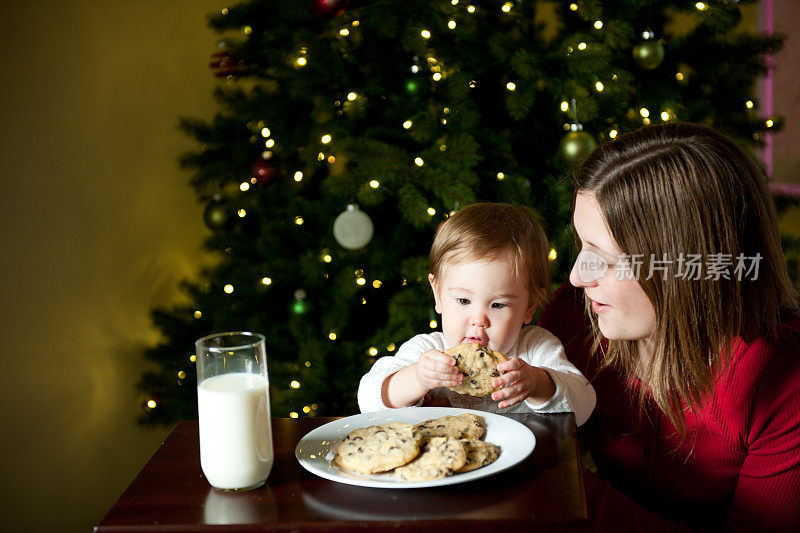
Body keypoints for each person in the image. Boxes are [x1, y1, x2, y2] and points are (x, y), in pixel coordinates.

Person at [539, 123, 800, 531]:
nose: (575, 276)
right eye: (581, 244)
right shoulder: (570, 318)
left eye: (605, 259)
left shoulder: (784, 383)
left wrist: (565, 492)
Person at [358, 202, 596, 425]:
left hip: (525, 466)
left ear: (530, 306)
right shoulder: (427, 351)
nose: (479, 320)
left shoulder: (535, 348)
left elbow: (585, 406)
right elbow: (367, 400)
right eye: (463, 300)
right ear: (439, 295)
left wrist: (539, 384)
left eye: (498, 305)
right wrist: (418, 379)